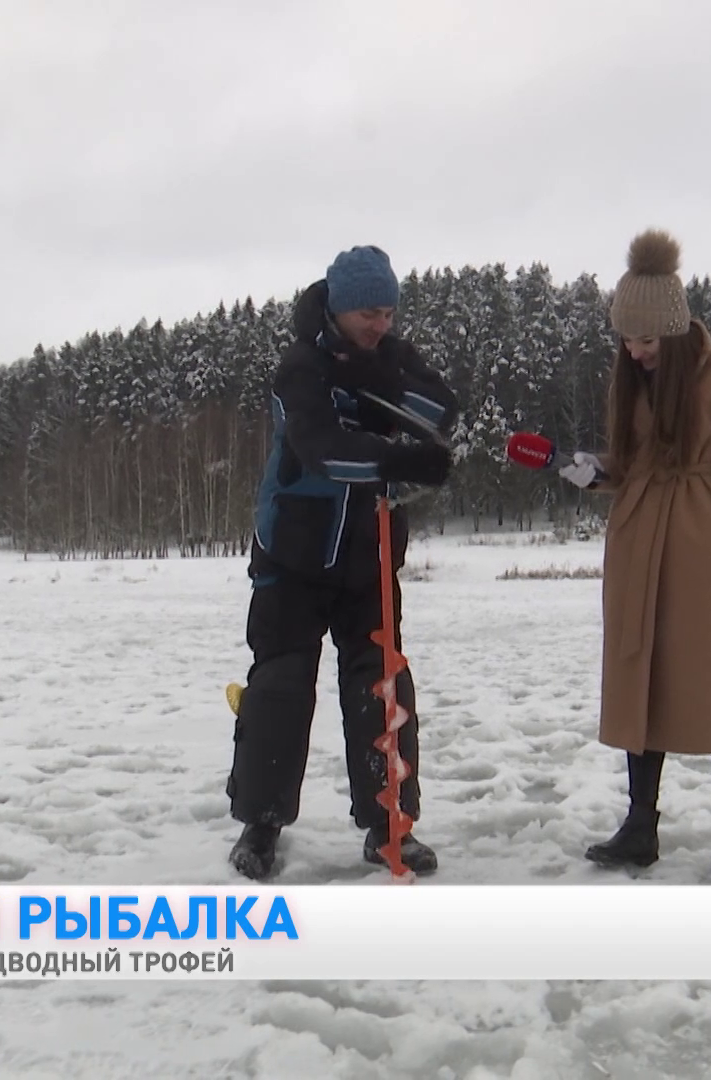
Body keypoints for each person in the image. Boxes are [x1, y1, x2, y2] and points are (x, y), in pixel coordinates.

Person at [225, 245, 460, 881]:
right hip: (293, 554)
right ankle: (261, 824)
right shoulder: (298, 367)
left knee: (382, 685)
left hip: (369, 554)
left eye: (387, 312)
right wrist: (395, 457)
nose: (379, 324)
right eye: (366, 314)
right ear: (337, 307)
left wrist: (380, 382)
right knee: (278, 687)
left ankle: (391, 825)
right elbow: (322, 450)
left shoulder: (392, 354)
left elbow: (441, 411)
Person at [558, 228, 711, 875]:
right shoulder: (632, 380)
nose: (636, 351)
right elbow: (633, 464)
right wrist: (595, 472)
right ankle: (639, 826)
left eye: (648, 340)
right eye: (627, 340)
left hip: (704, 549)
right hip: (636, 545)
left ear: (675, 333)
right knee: (638, 683)